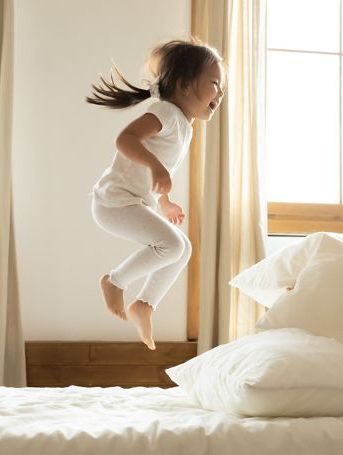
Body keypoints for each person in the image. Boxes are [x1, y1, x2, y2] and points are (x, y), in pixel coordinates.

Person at [87, 40, 224, 350]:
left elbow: (157, 171)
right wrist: (156, 167)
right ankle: (115, 281)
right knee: (172, 245)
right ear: (186, 86)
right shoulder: (166, 112)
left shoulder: (183, 126)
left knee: (182, 248)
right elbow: (125, 139)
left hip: (130, 202)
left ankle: (145, 305)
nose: (220, 92)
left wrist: (163, 200)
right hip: (113, 202)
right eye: (214, 83)